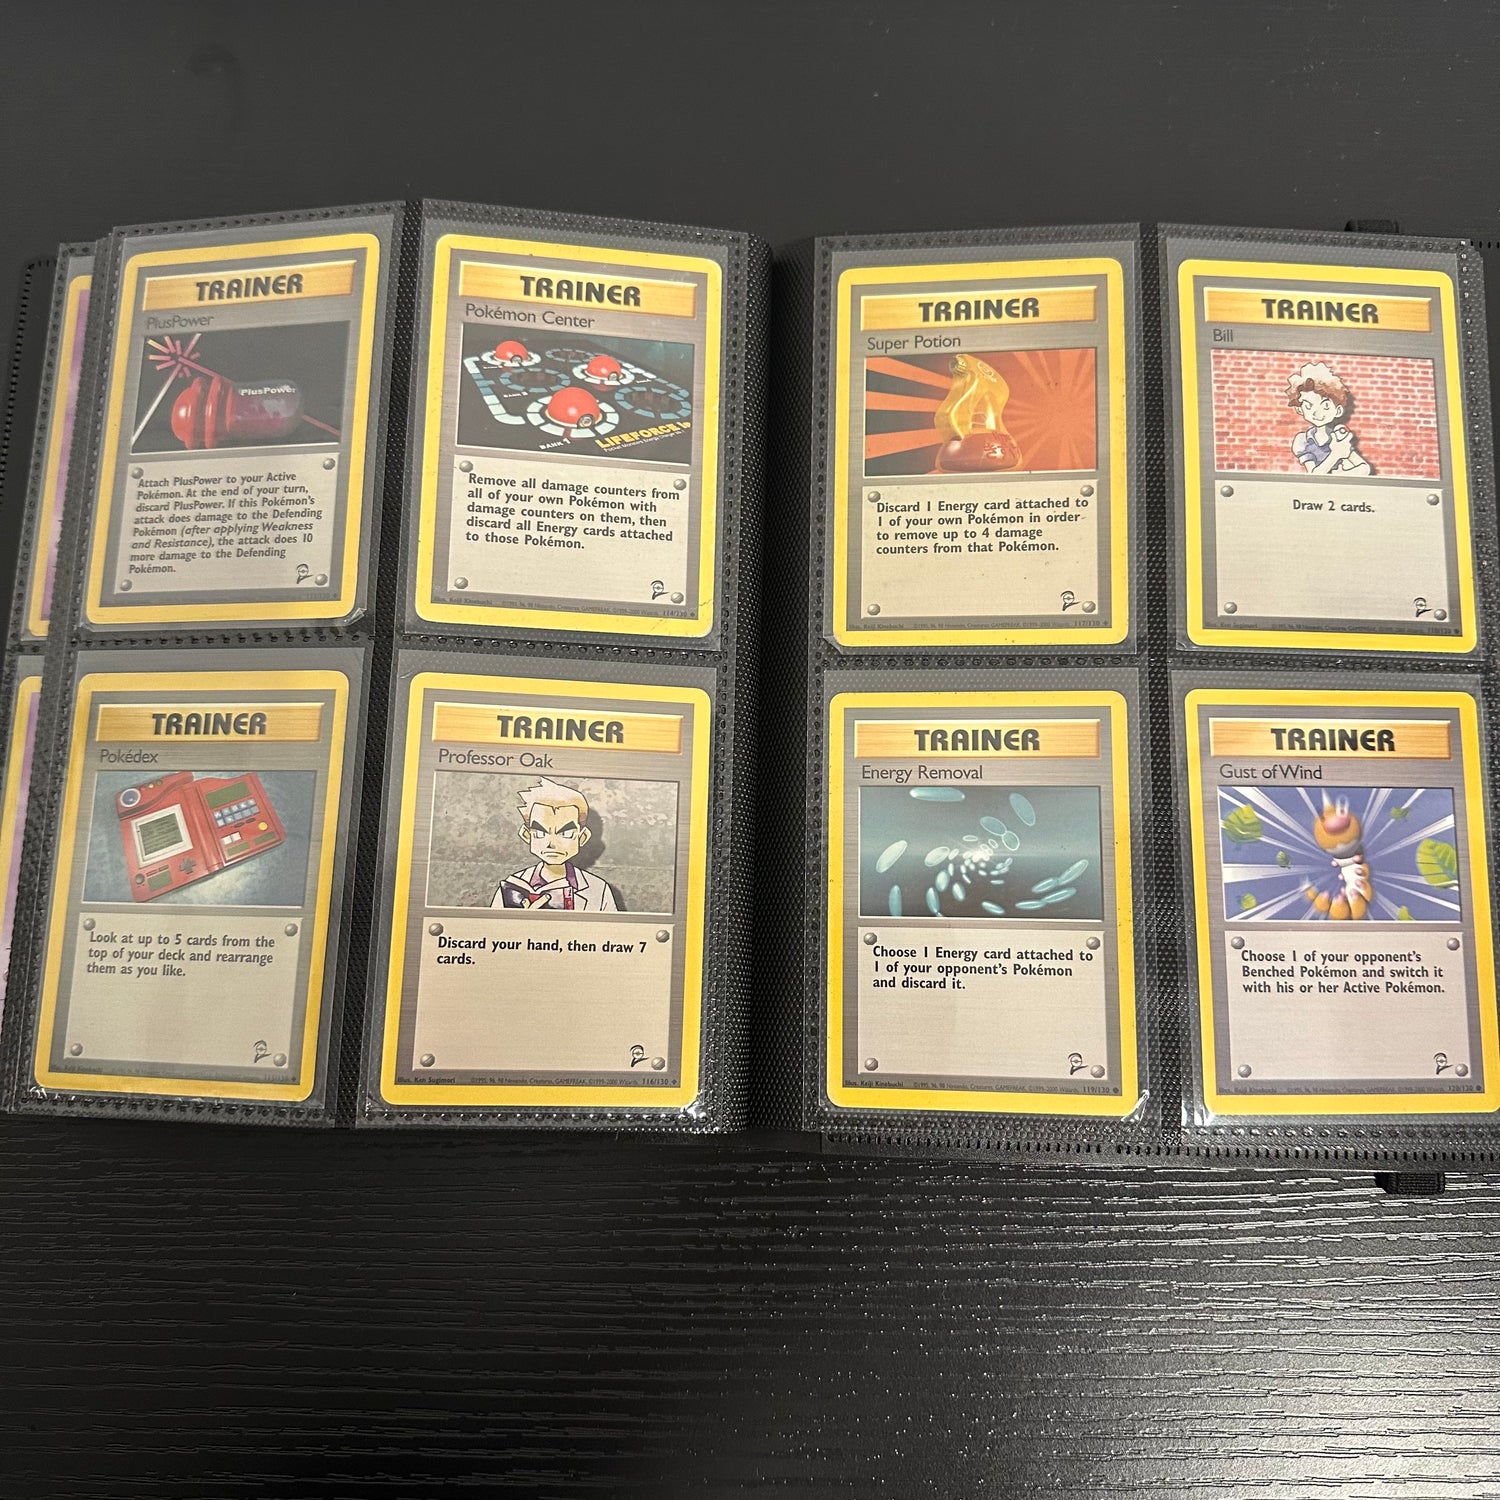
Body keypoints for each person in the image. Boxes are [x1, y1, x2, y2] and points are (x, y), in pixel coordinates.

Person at [492, 778, 619, 911]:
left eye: (565, 833)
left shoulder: (598, 889)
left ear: (582, 837)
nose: (551, 844)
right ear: (526, 835)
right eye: (541, 833)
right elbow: (490, 923)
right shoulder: (511, 887)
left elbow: (610, 924)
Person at [1287, 362, 1373, 476]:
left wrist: (1341, 474)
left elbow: (1365, 468)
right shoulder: (1303, 440)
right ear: (1299, 409)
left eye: (1326, 406)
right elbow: (1313, 475)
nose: (1317, 412)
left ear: (1338, 410)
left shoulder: (1338, 436)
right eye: (1308, 406)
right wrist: (1336, 455)